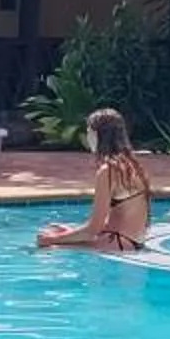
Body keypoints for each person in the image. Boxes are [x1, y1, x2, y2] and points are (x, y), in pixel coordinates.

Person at [36, 107, 151, 251]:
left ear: (97, 135)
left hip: (117, 243)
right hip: (131, 242)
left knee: (45, 246)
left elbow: (93, 229)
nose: (87, 136)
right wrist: (71, 232)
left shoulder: (108, 171)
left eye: (89, 131)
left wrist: (53, 239)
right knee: (58, 241)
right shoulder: (132, 165)